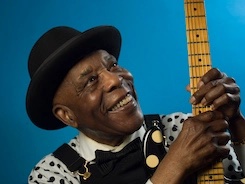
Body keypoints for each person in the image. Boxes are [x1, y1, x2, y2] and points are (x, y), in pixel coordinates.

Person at [26, 25, 245, 184]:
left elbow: (237, 177)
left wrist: (235, 121)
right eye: (91, 80)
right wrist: (174, 167)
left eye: (113, 65)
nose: (115, 79)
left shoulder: (182, 128)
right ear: (67, 115)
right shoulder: (52, 174)